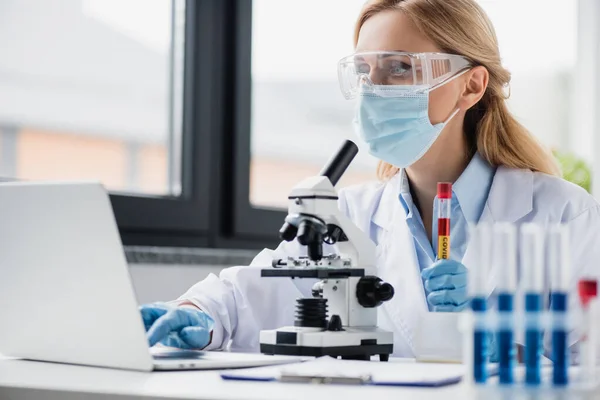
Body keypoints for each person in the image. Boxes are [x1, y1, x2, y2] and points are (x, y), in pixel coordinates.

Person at [140, 0, 600, 358]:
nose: (373, 90)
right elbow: (254, 291)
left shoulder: (563, 214)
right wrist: (197, 314)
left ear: (471, 85)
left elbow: (590, 361)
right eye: (364, 71)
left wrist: (498, 329)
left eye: (400, 68)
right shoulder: (352, 216)